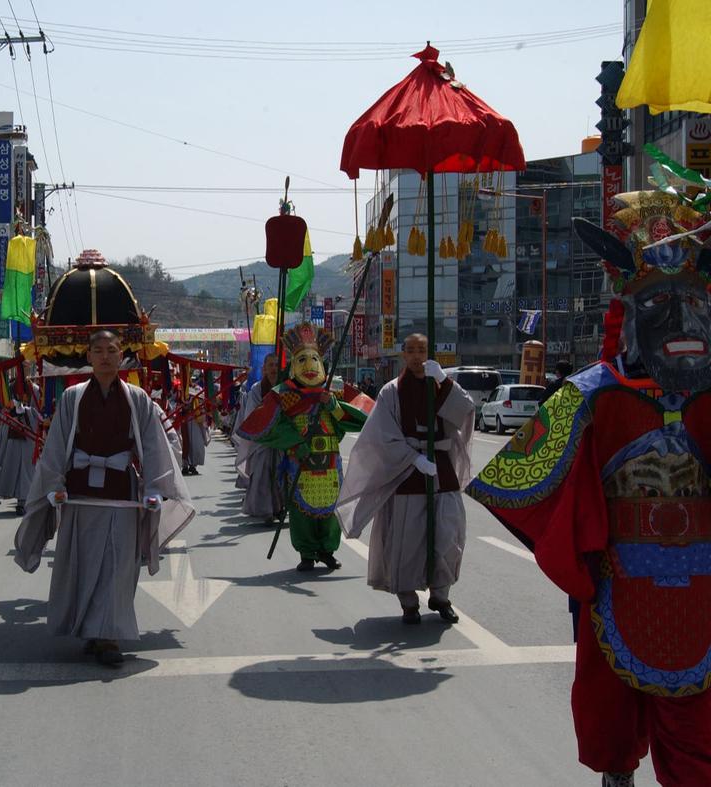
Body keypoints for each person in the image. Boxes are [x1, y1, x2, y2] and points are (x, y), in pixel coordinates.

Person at [468, 191, 711, 786]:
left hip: (705, 585)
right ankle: (616, 772)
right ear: (629, 311)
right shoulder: (589, 394)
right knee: (610, 723)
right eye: (660, 302)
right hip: (616, 581)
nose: (682, 319)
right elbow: (519, 483)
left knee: (701, 741)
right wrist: (583, 551)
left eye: (695, 302)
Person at [14, 329, 195, 666]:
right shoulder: (73, 397)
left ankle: (109, 635)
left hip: (121, 492)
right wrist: (54, 484)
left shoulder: (138, 398)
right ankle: (90, 629)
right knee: (82, 562)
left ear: (121, 355)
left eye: (112, 350)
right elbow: (56, 446)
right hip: (80, 491)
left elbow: (154, 445)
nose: (106, 357)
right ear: (89, 357)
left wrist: (154, 488)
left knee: (118, 565)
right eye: (98, 351)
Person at [336, 333, 475, 624]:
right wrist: (414, 458)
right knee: (406, 540)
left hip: (441, 470)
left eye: (422, 350)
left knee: (447, 537)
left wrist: (445, 382)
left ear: (429, 352)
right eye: (410, 350)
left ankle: (441, 596)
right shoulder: (391, 391)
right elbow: (381, 435)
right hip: (407, 471)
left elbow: (466, 411)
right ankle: (409, 602)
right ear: (402, 354)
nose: (416, 356)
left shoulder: (441, 382)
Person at [238, 326, 366, 569]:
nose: (309, 366)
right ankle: (307, 553)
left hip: (329, 463)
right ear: (294, 364)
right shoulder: (283, 394)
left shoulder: (334, 390)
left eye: (314, 359)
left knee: (330, 509)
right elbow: (265, 426)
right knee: (300, 511)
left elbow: (362, 417)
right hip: (299, 461)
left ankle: (328, 550)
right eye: (302, 360)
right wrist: (295, 443)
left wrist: (333, 406)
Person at [233, 353, 283, 522]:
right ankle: (265, 511)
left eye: (276, 365)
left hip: (282, 440)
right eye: (270, 365)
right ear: (264, 369)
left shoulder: (286, 387)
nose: (274, 368)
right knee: (263, 475)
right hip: (262, 441)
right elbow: (252, 414)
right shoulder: (256, 389)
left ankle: (280, 507)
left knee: (283, 474)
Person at [0, 388, 39, 516]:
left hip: (28, 443)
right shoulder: (10, 408)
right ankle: (21, 502)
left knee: (26, 472)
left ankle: (23, 502)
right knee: (15, 471)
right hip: (14, 442)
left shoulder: (31, 410)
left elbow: (37, 420)